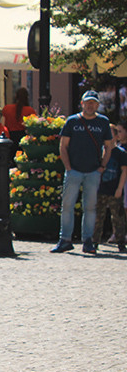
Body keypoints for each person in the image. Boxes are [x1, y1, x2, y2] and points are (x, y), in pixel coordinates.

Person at [52, 90, 115, 254]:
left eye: (93, 103)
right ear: (82, 104)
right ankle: (65, 239)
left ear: (97, 105)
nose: (90, 105)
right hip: (74, 170)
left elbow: (109, 146)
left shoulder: (103, 122)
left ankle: (88, 240)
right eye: (87, 102)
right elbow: (63, 146)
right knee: (67, 206)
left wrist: (102, 167)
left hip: (93, 171)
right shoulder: (72, 122)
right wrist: (68, 167)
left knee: (90, 207)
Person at [96, 121, 127, 252]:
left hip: (114, 189)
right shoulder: (99, 152)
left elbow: (124, 171)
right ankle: (94, 240)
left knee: (118, 217)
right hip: (101, 189)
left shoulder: (120, 153)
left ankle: (120, 241)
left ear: (115, 137)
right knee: (98, 216)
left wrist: (120, 189)